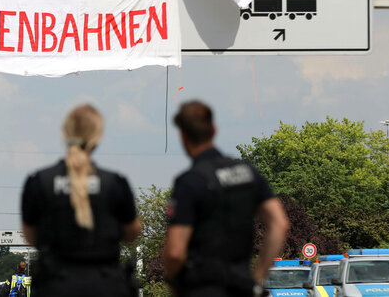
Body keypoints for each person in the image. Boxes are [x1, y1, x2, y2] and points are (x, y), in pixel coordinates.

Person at [164, 100, 289, 296]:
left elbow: (175, 252)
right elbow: (279, 223)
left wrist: (173, 282)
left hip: (203, 287)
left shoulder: (190, 182)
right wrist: (257, 278)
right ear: (214, 130)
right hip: (242, 285)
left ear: (183, 137)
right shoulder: (246, 171)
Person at [21, 104, 141, 297]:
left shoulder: (39, 182)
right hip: (107, 285)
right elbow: (131, 234)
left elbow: (30, 237)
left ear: (65, 134)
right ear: (97, 138)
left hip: (55, 285)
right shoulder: (115, 183)